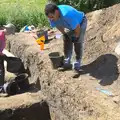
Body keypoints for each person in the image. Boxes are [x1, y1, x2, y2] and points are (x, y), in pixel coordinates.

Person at [45, 3, 87, 72]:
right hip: (70, 25)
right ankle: (67, 62)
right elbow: (57, 25)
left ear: (56, 12)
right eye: (50, 18)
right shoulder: (51, 17)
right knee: (66, 40)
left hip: (80, 22)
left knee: (78, 42)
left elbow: (77, 27)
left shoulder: (67, 15)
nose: (51, 19)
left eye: (52, 17)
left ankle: (77, 65)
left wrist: (76, 37)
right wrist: (64, 34)